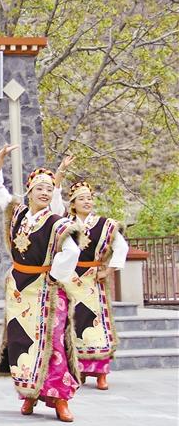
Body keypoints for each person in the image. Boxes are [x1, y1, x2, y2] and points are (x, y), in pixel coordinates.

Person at [0, 145, 81, 422]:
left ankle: (60, 398)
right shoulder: (17, 213)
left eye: (49, 189)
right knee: (21, 340)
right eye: (39, 188)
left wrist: (54, 275)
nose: (44, 192)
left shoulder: (56, 222)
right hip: (19, 286)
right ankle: (29, 393)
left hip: (46, 288)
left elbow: (71, 252)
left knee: (52, 342)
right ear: (29, 191)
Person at [51, 159, 128, 390]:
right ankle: (79, 370)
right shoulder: (65, 222)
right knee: (72, 322)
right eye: (82, 198)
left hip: (93, 279)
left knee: (96, 324)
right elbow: (54, 202)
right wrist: (60, 173)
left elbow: (121, 247)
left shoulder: (105, 225)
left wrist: (108, 270)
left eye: (89, 198)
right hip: (70, 279)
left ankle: (101, 372)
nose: (87, 201)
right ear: (73, 204)